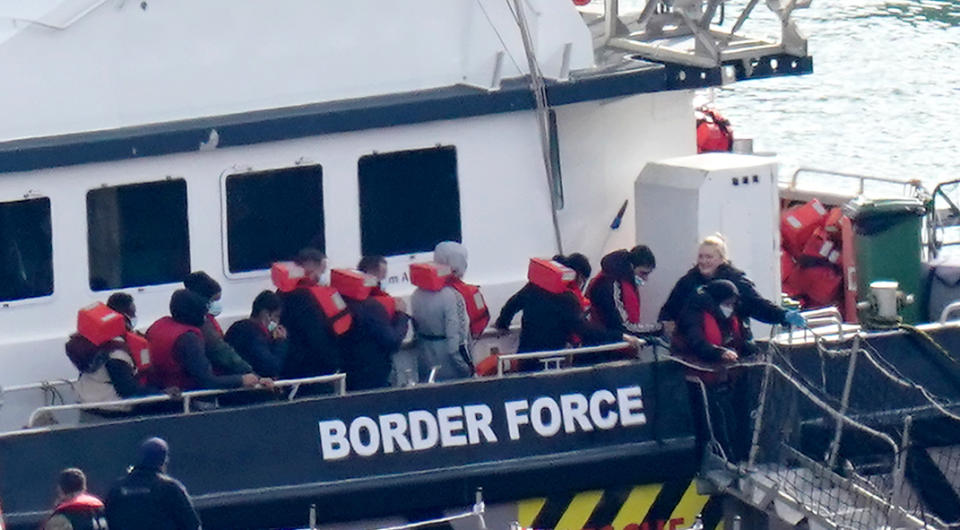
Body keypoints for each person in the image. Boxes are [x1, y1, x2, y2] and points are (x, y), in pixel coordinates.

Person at [494, 254, 630, 371]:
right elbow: (586, 330)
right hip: (551, 363)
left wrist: (502, 324)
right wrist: (619, 336)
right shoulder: (567, 299)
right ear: (577, 276)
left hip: (525, 359)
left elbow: (511, 306)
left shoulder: (534, 287)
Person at [673, 279, 756, 465]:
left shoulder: (728, 317)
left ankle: (738, 456)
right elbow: (697, 343)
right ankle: (722, 459)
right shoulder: (693, 314)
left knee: (733, 417)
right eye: (727, 304)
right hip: (699, 379)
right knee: (715, 420)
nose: (730, 308)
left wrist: (748, 347)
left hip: (724, 378)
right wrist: (719, 352)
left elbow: (739, 338)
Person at [658, 234, 805, 337]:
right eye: (701, 256)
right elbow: (670, 310)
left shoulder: (736, 281)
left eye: (709, 257)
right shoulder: (687, 283)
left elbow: (757, 304)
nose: (703, 261)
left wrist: (783, 315)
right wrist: (665, 327)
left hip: (732, 345)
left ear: (722, 259)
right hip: (695, 347)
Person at [145, 289, 262, 391]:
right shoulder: (188, 339)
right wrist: (241, 380)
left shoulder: (158, 326)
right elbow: (207, 381)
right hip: (186, 398)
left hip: (159, 388)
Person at [410, 242, 476, 381]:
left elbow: (417, 331)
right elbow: (456, 342)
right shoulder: (453, 297)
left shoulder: (417, 293)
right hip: (450, 369)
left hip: (425, 365)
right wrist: (468, 369)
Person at [105, 437, 201, 530]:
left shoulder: (117, 489)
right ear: (164, 460)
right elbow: (192, 524)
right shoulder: (170, 488)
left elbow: (109, 520)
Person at [277, 248, 345, 378]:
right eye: (321, 269)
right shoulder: (308, 296)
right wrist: (332, 361)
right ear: (311, 265)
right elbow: (316, 334)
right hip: (312, 365)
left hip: (289, 359)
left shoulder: (282, 291)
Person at [339, 272, 411, 390]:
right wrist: (401, 316)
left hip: (348, 370)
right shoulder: (370, 307)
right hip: (372, 372)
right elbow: (392, 341)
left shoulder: (340, 304)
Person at [183, 271, 261, 378]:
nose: (216, 305)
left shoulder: (203, 319)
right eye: (213, 301)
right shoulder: (203, 325)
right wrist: (251, 373)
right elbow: (222, 352)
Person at [587, 245, 662, 336]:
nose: (645, 278)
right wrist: (659, 328)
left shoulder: (618, 281)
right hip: (608, 345)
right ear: (631, 266)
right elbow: (623, 327)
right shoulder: (610, 284)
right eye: (643, 273)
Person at [224, 291, 289, 378]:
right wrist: (280, 342)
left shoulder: (241, 327)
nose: (277, 322)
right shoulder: (252, 333)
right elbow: (271, 367)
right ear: (266, 314)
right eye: (276, 316)